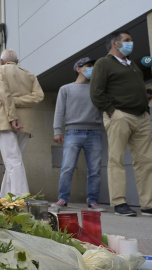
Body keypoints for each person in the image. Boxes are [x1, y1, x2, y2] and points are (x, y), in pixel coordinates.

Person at [90, 31, 152, 217]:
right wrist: (112, 111)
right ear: (115, 44)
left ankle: (147, 204)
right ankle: (119, 203)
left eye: (131, 40)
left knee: (146, 161)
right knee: (116, 159)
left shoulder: (133, 65)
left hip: (142, 117)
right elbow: (96, 92)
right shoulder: (103, 63)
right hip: (120, 115)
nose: (130, 43)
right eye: (127, 41)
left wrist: (146, 110)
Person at [52, 57, 105, 212]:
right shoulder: (66, 89)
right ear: (78, 68)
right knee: (67, 167)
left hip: (95, 132)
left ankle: (93, 201)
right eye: (88, 66)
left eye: (93, 67)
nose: (92, 69)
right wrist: (57, 131)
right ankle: (62, 199)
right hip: (72, 132)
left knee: (94, 169)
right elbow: (59, 111)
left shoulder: (96, 88)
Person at [0, 49, 44, 198]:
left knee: (12, 161)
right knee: (15, 162)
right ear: (17, 61)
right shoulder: (29, 75)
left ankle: (20, 199)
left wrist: (12, 114)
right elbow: (38, 97)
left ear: (2, 61)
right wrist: (19, 101)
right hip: (25, 123)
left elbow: (3, 94)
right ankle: (5, 199)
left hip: (5, 120)